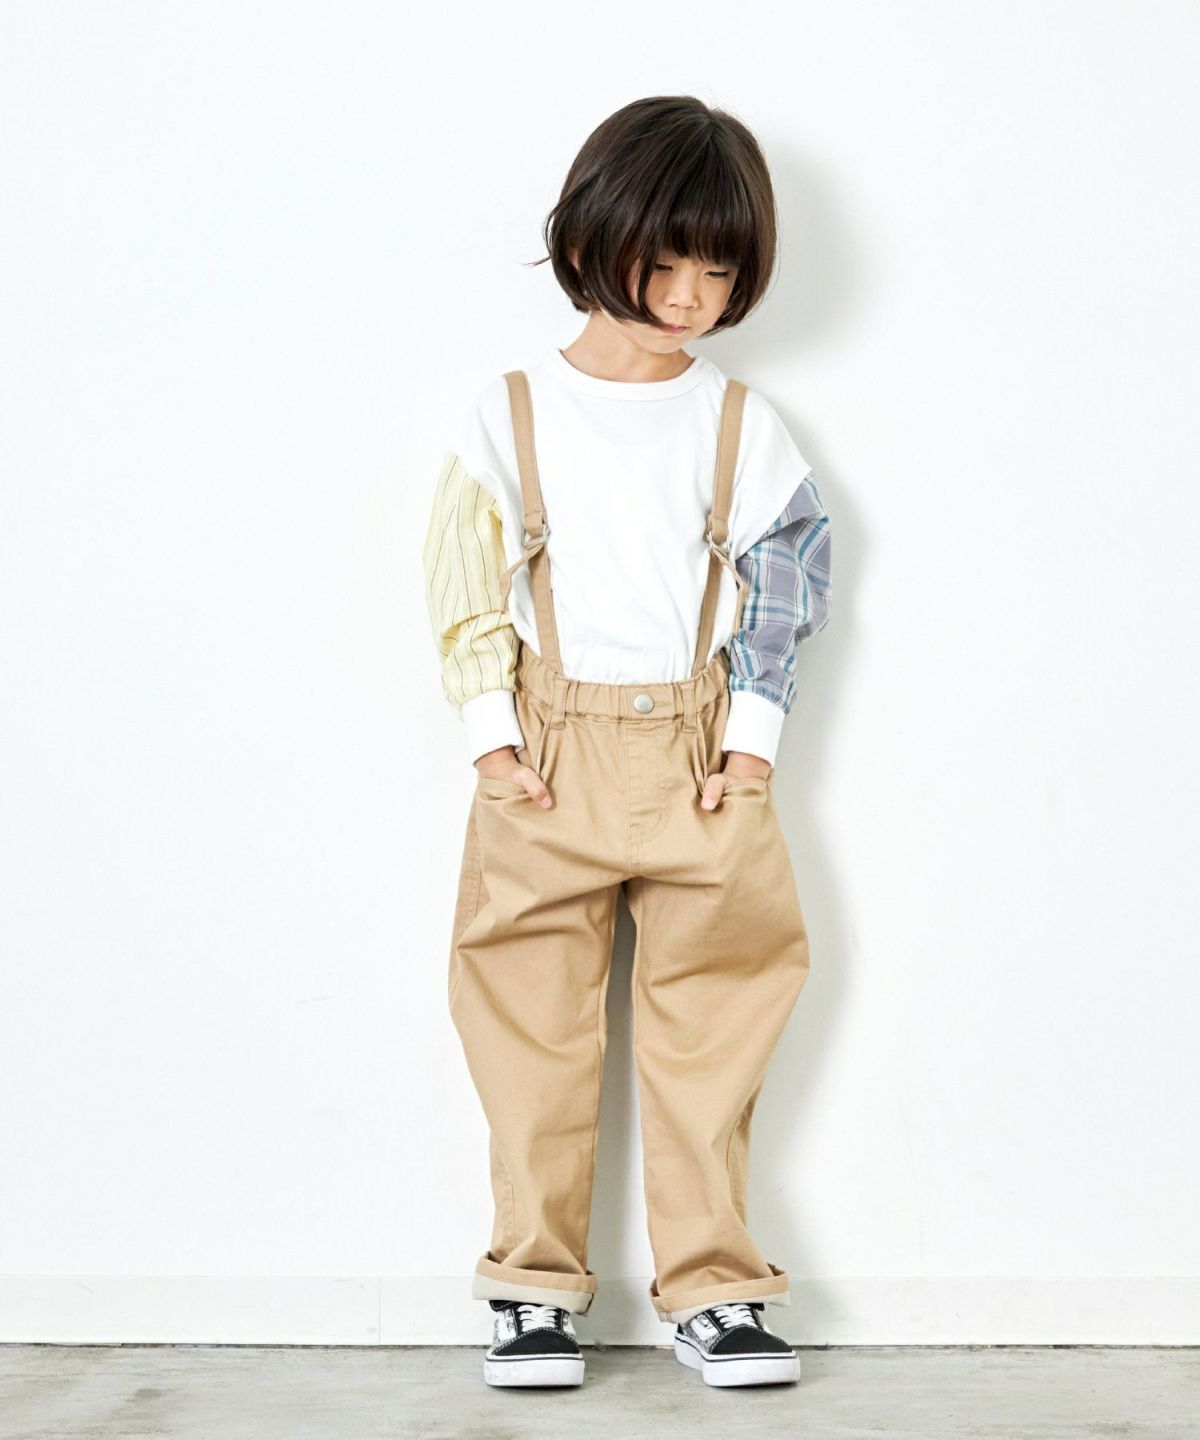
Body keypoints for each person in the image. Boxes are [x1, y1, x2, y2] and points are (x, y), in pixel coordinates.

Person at [422, 95, 832, 1390]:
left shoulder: (738, 421)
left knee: (717, 1019)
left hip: (703, 754)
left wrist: (752, 741)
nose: (688, 298)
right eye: (663, 263)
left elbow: (791, 574)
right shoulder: (513, 411)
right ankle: (531, 1287)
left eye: (718, 271)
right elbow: (461, 577)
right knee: (527, 1026)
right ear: (591, 240)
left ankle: (716, 1289)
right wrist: (491, 739)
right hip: (545, 751)